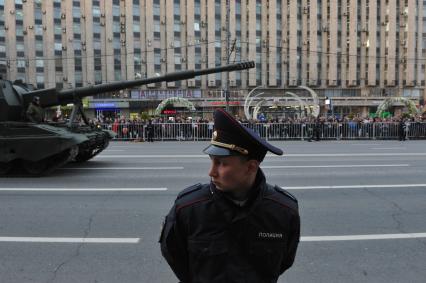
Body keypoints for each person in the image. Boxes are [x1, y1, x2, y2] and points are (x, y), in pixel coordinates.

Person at [160, 108, 300, 283]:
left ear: (251, 167)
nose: (211, 172)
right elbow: (174, 255)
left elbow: (283, 261)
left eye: (221, 163)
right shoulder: (188, 208)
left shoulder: (283, 211)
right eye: (212, 161)